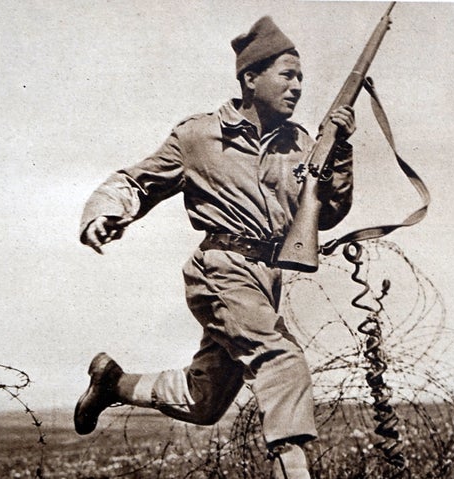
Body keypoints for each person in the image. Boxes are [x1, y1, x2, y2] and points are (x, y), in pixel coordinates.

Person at [74, 16, 355, 479]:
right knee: (281, 360)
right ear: (250, 78)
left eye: (301, 77)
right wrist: (105, 212)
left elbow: (326, 215)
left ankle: (113, 383)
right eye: (287, 74)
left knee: (204, 402)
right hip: (221, 268)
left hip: (266, 278)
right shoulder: (199, 136)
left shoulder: (301, 143)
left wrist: (340, 152)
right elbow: (137, 181)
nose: (298, 86)